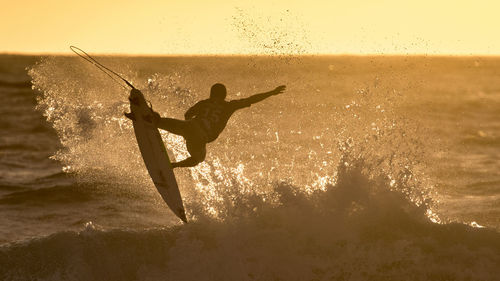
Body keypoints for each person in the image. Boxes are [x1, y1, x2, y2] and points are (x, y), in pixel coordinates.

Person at [129, 83, 286, 168]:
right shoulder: (229, 106)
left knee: (159, 121)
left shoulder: (204, 102)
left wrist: (194, 119)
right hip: (199, 136)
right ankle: (173, 166)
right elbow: (251, 99)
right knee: (198, 159)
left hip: (189, 126)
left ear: (211, 94)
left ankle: (143, 114)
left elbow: (187, 115)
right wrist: (272, 92)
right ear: (224, 95)